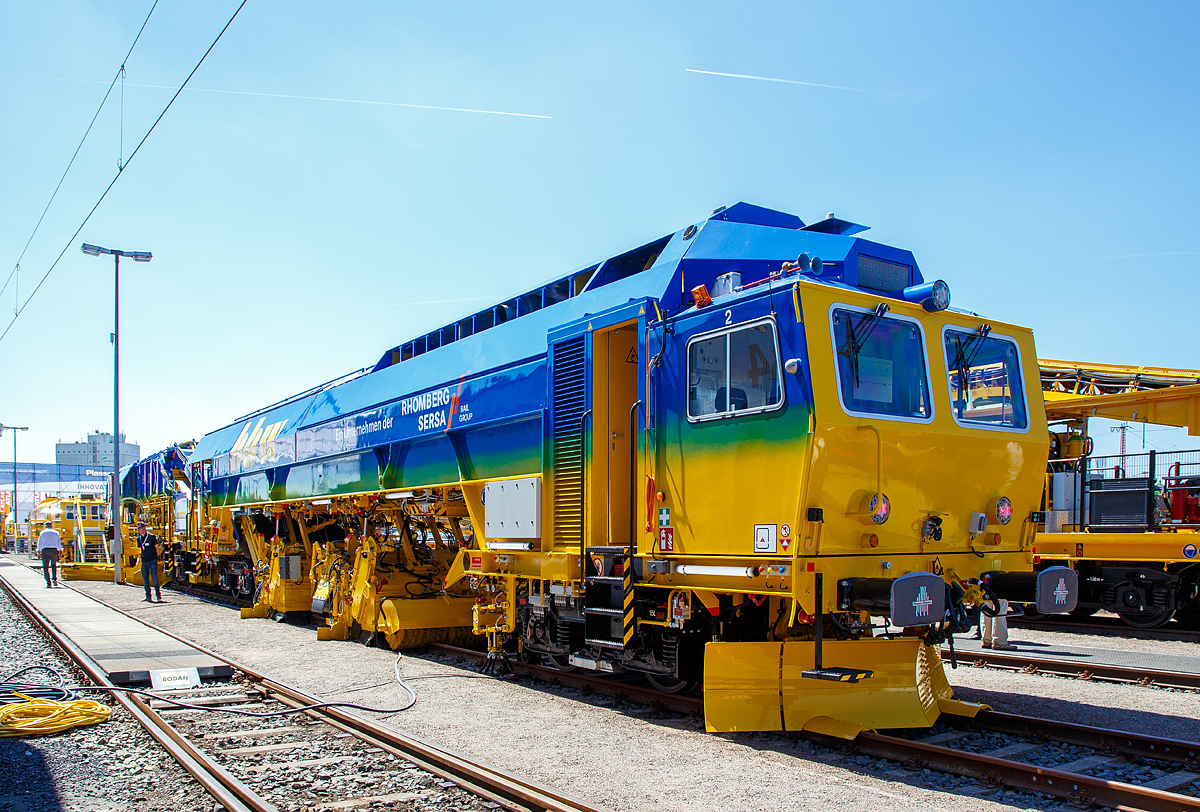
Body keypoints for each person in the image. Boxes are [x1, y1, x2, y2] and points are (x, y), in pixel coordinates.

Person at [136, 521, 163, 603]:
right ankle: (148, 596)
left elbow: (156, 547)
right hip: (144, 561)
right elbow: (140, 549)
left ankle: (158, 596)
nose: (138, 530)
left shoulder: (151, 537)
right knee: (145, 579)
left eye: (139, 528)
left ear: (144, 528)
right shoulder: (139, 539)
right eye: (137, 528)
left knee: (154, 578)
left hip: (152, 560)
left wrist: (157, 556)